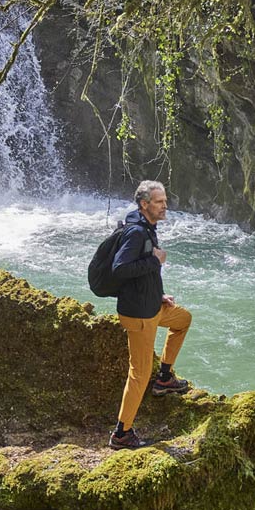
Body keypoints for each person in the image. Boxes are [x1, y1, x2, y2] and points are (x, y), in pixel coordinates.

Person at [109, 180, 192, 449]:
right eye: (159, 201)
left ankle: (165, 378)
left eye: (165, 200)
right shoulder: (136, 233)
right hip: (139, 314)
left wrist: (159, 296)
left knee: (182, 319)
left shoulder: (146, 227)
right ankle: (122, 433)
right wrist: (155, 260)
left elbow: (141, 274)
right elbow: (120, 269)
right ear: (145, 204)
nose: (164, 205)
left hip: (151, 305)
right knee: (139, 373)